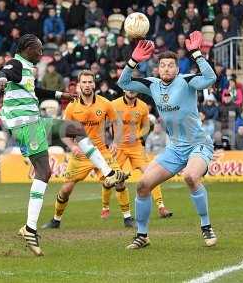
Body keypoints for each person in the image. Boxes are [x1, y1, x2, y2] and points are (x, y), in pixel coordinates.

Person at [0, 34, 128, 256]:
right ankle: (30, 228)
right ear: (27, 48)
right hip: (25, 124)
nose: (41, 53)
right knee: (44, 172)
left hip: (34, 122)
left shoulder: (26, 67)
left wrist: (60, 94)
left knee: (75, 129)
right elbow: (6, 71)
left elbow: (33, 91)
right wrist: (0, 78)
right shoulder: (17, 63)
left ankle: (109, 173)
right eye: (38, 49)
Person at [117, 31, 217, 249]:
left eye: (171, 65)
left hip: (198, 143)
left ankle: (206, 225)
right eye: (163, 65)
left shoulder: (186, 81)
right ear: (157, 68)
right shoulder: (152, 84)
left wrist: (197, 54)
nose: (166, 69)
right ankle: (142, 235)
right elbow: (122, 82)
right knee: (143, 185)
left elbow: (210, 78)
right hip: (175, 149)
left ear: (177, 68)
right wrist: (133, 61)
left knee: (190, 176)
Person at [42, 71, 134, 229]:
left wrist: (115, 142)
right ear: (79, 85)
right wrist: (72, 146)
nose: (87, 85)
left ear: (94, 84)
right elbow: (63, 131)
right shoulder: (72, 106)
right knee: (66, 189)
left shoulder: (105, 103)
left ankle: (128, 218)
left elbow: (117, 123)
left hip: (102, 152)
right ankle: (56, 220)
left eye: (90, 82)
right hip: (81, 155)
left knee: (119, 180)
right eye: (84, 82)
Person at [104, 91, 173, 219]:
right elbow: (105, 122)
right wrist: (112, 140)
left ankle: (161, 207)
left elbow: (146, 127)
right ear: (123, 89)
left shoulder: (143, 106)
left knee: (151, 174)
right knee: (112, 178)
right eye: (128, 88)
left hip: (136, 147)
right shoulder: (114, 104)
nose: (131, 90)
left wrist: (137, 135)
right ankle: (106, 207)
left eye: (134, 88)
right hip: (119, 147)